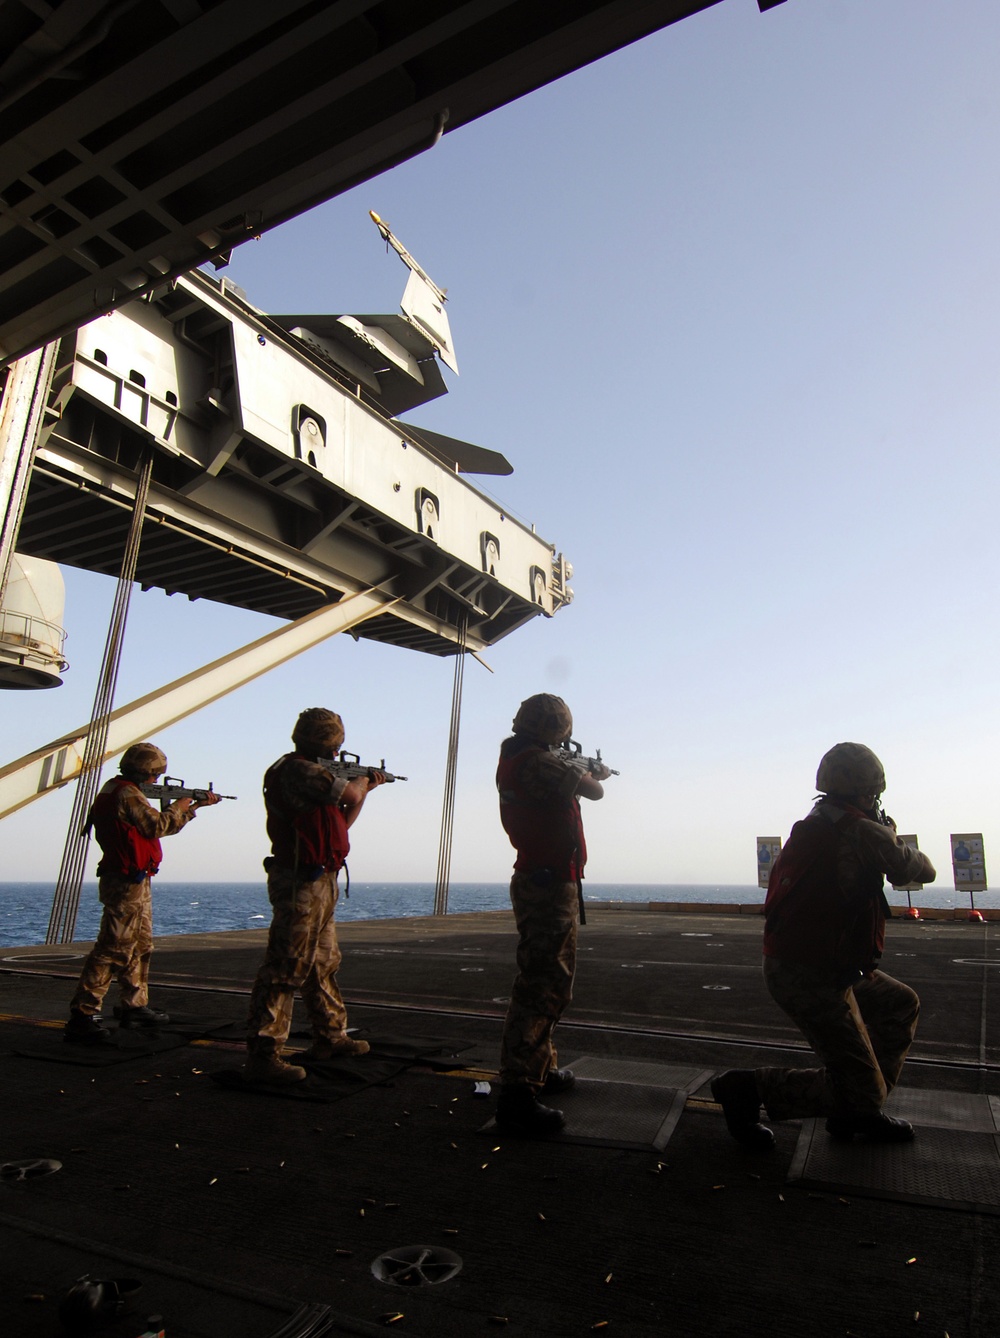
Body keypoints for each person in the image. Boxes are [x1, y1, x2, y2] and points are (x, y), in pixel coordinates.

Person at [713, 742, 936, 1151]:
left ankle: (857, 1109)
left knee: (899, 1003)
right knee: (861, 1087)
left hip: (824, 965)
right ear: (870, 792)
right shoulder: (862, 830)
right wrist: (892, 836)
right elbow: (919, 870)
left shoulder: (817, 820)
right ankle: (747, 1089)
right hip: (812, 974)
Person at [243, 707, 386, 1084]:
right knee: (286, 965)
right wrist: (365, 782)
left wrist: (364, 788)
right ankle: (264, 1052)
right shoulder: (298, 770)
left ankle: (331, 1035)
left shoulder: (314, 774)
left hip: (322, 877)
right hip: (299, 881)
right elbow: (351, 791)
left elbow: (345, 815)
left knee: (323, 961)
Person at [494, 693, 612, 1137]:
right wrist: (590, 771)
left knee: (547, 980)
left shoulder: (520, 754)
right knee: (543, 985)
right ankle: (519, 1092)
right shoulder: (540, 761)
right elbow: (595, 791)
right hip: (547, 885)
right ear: (557, 729)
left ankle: (539, 1068)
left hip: (542, 878)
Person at [65, 742, 220, 1044]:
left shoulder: (116, 789)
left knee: (139, 944)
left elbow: (158, 827)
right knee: (112, 947)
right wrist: (182, 806)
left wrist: (190, 809)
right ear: (148, 772)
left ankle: (134, 1005)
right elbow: (157, 825)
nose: (155, 781)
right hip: (124, 882)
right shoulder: (127, 793)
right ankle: (83, 1014)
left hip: (134, 880)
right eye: (155, 775)